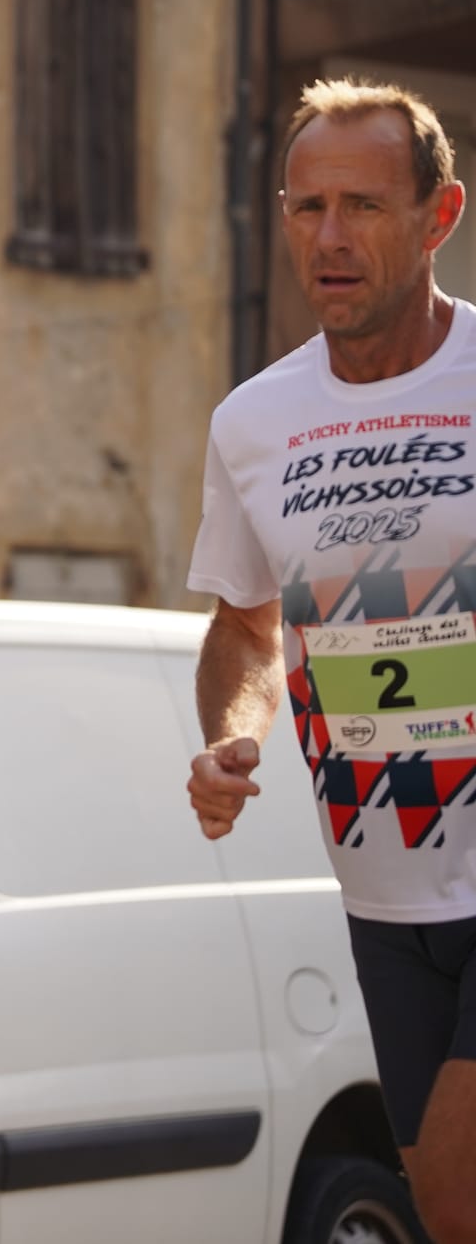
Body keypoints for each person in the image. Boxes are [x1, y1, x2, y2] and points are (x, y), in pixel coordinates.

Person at [187, 77, 475, 1242]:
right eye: (305, 208)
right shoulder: (252, 422)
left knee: (455, 1182)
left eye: (361, 204)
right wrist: (229, 737)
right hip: (379, 887)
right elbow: (244, 628)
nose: (328, 237)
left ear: (437, 215)